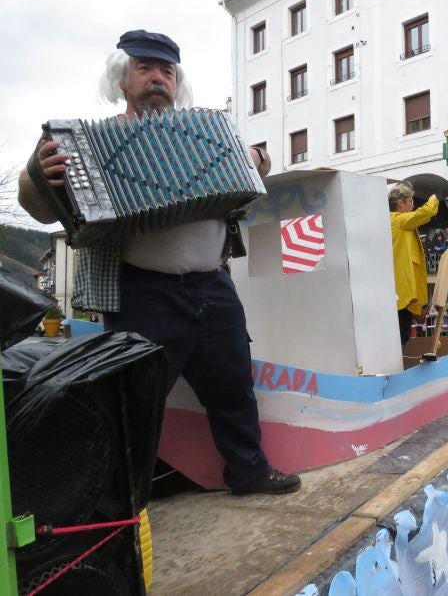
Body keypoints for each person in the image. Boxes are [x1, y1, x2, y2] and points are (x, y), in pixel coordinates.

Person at [17, 29, 299, 495]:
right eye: (144, 68)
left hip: (213, 286)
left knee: (234, 388)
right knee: (133, 401)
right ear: (122, 80)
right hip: (140, 293)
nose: (157, 78)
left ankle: (248, 472)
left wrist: (258, 157)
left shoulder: (207, 130)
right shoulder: (86, 144)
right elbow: (41, 208)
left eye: (166, 71)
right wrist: (35, 174)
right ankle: (122, 495)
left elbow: (256, 171)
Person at [389, 184, 439, 344]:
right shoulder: (399, 220)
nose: (413, 205)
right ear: (401, 203)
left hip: (400, 287)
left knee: (402, 332)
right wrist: (433, 200)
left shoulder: (396, 221)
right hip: (401, 288)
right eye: (410, 201)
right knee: (402, 334)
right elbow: (425, 212)